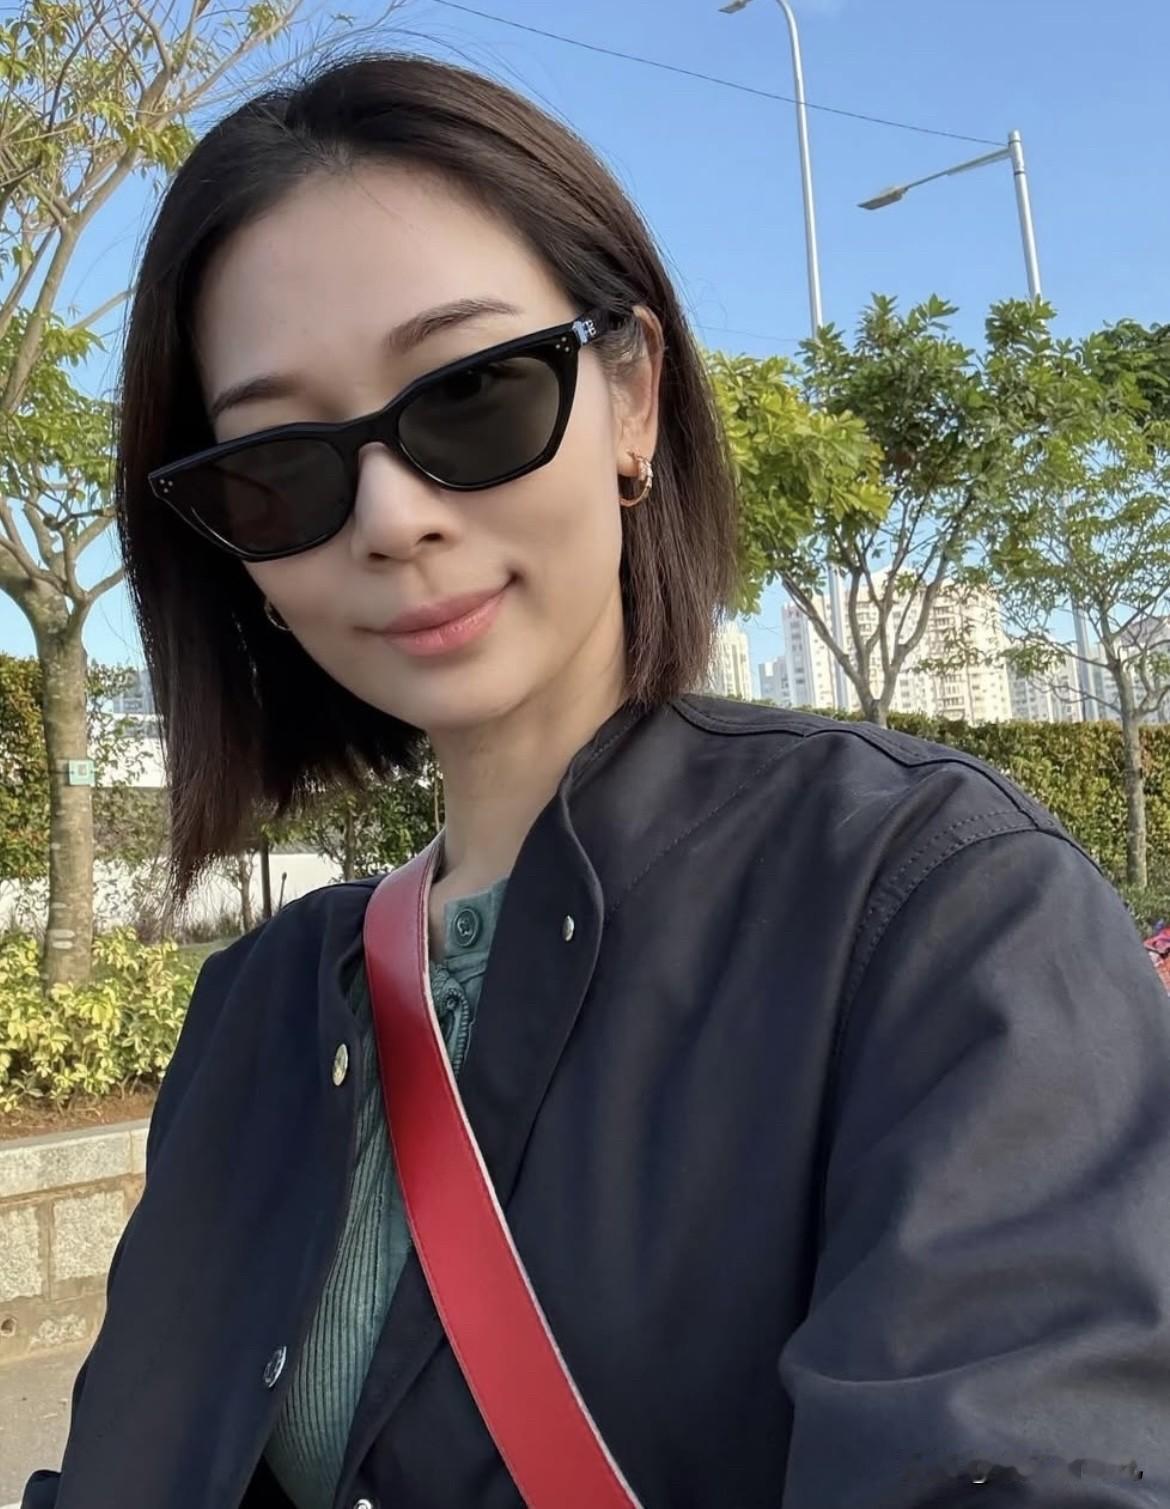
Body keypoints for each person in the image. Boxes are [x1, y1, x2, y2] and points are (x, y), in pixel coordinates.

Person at [22, 51, 1170, 1509]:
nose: (390, 516)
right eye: (280, 466)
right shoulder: (257, 1009)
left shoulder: (931, 908)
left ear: (631, 398)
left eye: (471, 394)